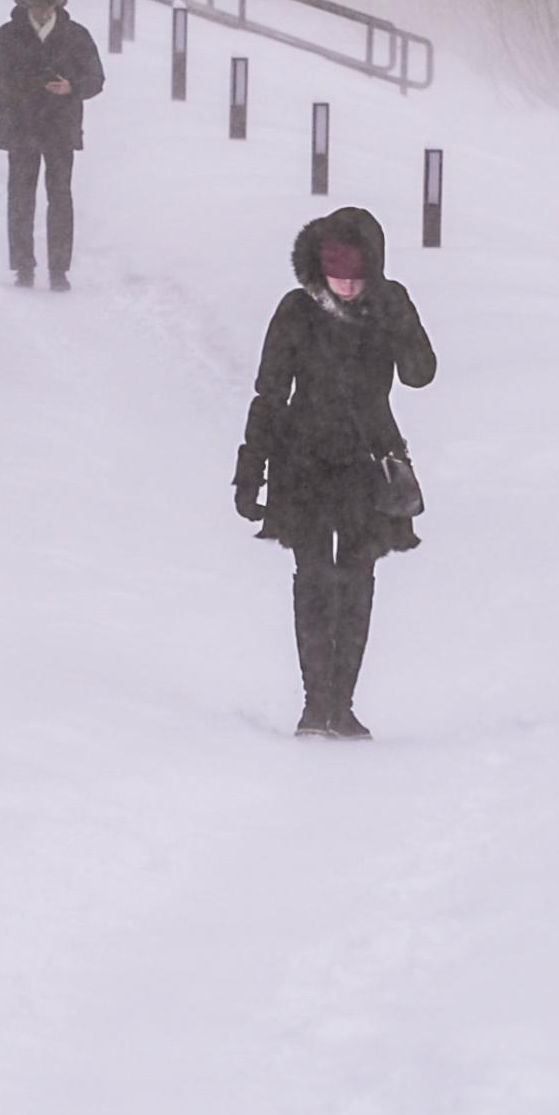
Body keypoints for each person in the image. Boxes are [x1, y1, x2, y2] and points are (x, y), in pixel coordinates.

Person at [233, 205, 438, 739]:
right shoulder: (297, 311)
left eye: (356, 277)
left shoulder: (388, 306)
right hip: (302, 462)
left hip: (368, 464)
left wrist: (397, 315)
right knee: (313, 581)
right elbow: (270, 392)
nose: (345, 288)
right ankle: (313, 703)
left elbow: (420, 375)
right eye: (335, 276)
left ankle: (341, 705)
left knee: (357, 582)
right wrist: (250, 469)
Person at [0, 0, 105, 290]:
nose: (44, 13)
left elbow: (96, 79)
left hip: (59, 127)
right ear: (27, 5)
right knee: (21, 198)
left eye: (49, 7)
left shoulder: (76, 36)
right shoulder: (7, 36)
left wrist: (72, 87)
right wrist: (19, 90)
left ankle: (59, 270)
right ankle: (24, 267)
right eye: (39, 7)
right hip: (22, 126)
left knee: (60, 197)